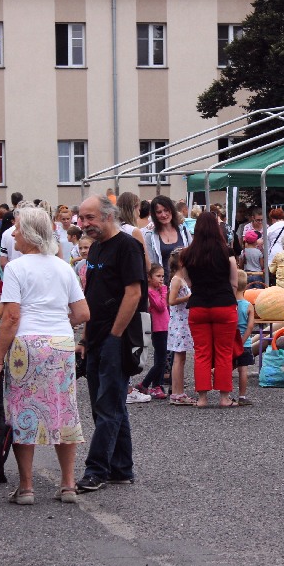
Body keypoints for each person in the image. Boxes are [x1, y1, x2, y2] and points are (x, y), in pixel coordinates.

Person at [0, 208, 89, 505]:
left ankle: (27, 487)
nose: (14, 233)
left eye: (17, 228)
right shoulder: (63, 267)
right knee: (63, 411)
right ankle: (68, 484)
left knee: (23, 413)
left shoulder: (16, 268)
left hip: (27, 346)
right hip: (60, 345)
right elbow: (82, 313)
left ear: (29, 234)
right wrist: (59, 323)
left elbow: (11, 318)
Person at [75, 195, 146, 493]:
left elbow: (134, 294)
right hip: (95, 338)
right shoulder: (96, 248)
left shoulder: (128, 246)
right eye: (81, 218)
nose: (84, 224)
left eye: (89, 217)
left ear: (108, 215)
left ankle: (97, 470)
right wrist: (85, 338)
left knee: (108, 405)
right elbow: (92, 296)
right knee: (107, 405)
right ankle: (121, 468)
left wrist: (115, 336)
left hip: (117, 339)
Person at [184, 211, 239, 408]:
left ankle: (202, 398)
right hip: (224, 305)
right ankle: (224, 398)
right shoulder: (227, 253)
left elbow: (188, 282)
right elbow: (234, 283)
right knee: (224, 352)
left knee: (202, 353)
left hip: (198, 306)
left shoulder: (187, 254)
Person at [134, 264, 170, 400]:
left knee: (161, 357)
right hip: (158, 328)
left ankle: (157, 385)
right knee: (161, 360)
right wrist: (164, 291)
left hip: (164, 327)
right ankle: (145, 384)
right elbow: (161, 306)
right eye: (158, 276)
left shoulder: (156, 290)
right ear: (149, 278)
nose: (161, 279)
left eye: (163, 276)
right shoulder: (151, 291)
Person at [166, 249, 196, 406]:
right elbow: (171, 301)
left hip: (182, 322)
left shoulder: (181, 279)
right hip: (179, 322)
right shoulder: (177, 280)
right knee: (178, 358)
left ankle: (179, 391)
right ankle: (177, 393)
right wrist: (188, 298)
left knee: (181, 357)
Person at [142, 195, 191, 282]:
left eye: (166, 210)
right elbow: (151, 265)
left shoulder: (183, 231)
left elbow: (193, 255)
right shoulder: (150, 236)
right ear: (154, 215)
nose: (163, 215)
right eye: (159, 212)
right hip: (162, 285)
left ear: (172, 210)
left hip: (184, 283)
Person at [233, 270, 256, 407]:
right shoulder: (248, 306)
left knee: (228, 366)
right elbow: (250, 326)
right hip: (244, 343)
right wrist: (242, 341)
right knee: (243, 370)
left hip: (230, 342)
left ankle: (225, 393)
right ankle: (242, 396)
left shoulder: (230, 305)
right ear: (246, 286)